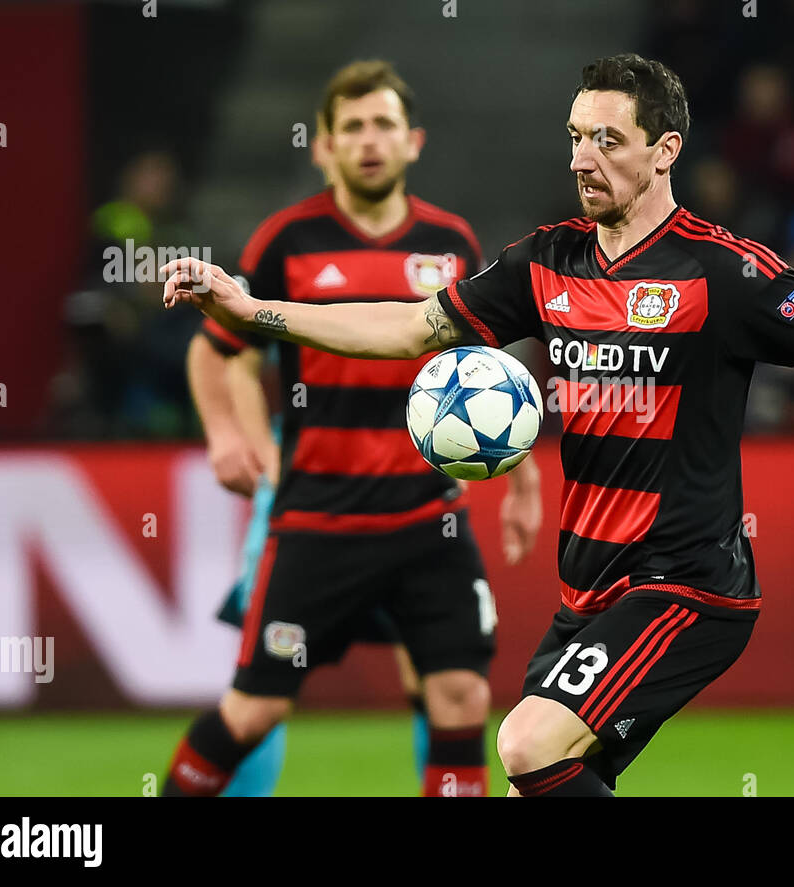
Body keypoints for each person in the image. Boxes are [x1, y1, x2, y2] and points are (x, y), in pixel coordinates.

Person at [163, 53, 794, 797]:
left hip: (684, 585)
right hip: (586, 592)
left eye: (607, 140)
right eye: (574, 137)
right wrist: (251, 310)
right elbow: (408, 328)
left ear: (665, 152)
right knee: (551, 776)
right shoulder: (545, 262)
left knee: (526, 742)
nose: (582, 159)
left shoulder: (724, 272)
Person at [164, 60, 541, 798]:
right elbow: (218, 349)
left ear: (413, 141)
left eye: (384, 126)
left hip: (426, 518)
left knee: (461, 694)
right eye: (353, 127)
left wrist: (524, 481)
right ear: (324, 146)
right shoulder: (287, 241)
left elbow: (487, 370)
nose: (370, 141)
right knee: (257, 706)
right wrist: (225, 436)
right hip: (316, 519)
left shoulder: (450, 240)